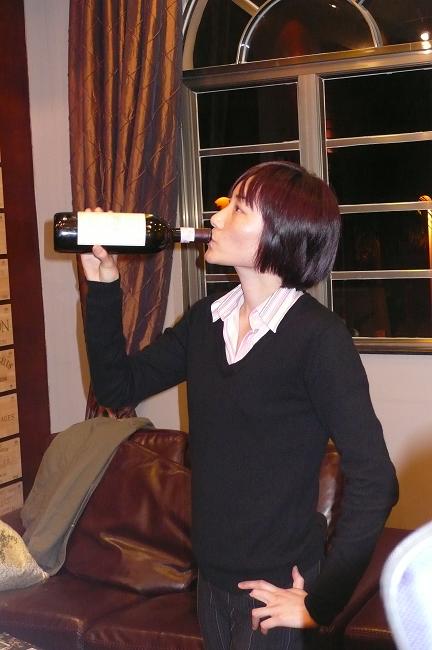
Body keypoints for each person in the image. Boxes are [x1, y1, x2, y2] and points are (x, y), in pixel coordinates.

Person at [81, 160, 398, 650]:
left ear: (279, 235)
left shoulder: (319, 339)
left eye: (239, 209)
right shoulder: (206, 322)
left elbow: (376, 480)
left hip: (276, 589)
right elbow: (116, 387)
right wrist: (103, 283)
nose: (216, 217)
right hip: (212, 582)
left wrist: (321, 602)